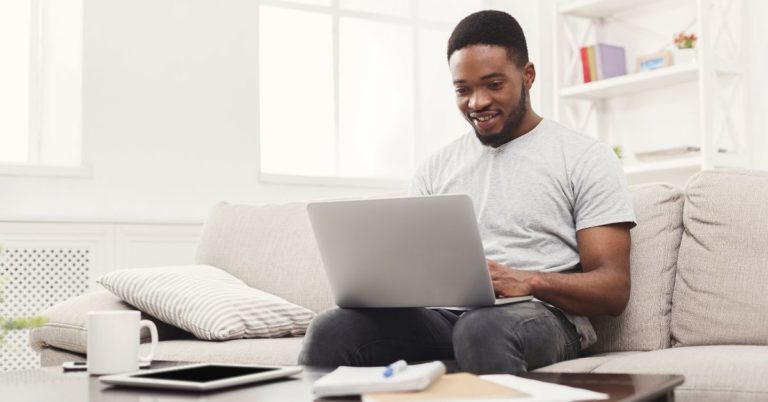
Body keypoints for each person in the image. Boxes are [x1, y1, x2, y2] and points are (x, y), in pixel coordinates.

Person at [298, 10, 636, 374]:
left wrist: (527, 280)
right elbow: (417, 269)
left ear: (528, 76)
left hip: (546, 318)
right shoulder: (436, 168)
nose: (476, 102)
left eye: (493, 84)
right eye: (463, 89)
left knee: (480, 328)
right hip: (446, 319)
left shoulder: (584, 156)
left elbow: (613, 289)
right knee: (332, 328)